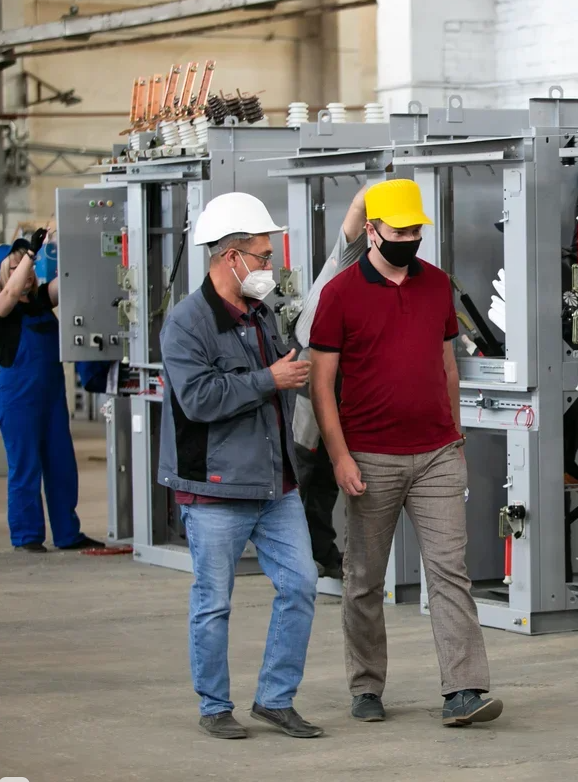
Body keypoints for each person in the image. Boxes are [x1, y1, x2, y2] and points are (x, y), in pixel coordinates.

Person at [309, 179, 503, 728]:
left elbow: (446, 365)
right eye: (401, 230)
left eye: (417, 229)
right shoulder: (340, 293)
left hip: (438, 453)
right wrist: (340, 456)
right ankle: (366, 686)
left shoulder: (436, 284)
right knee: (365, 577)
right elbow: (323, 384)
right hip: (369, 455)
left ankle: (464, 689)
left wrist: (455, 434)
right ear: (371, 231)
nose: (411, 238)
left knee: (450, 571)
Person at [157, 192, 322, 740]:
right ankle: (214, 706)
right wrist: (269, 380)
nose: (270, 266)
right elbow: (199, 399)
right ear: (231, 258)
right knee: (213, 603)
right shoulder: (186, 323)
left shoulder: (261, 314)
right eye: (264, 256)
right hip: (215, 489)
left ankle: (275, 698)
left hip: (275, 484)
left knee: (300, 585)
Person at [0, 236, 104, 553]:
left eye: (28, 268)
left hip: (52, 397)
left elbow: (66, 282)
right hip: (17, 399)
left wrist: (80, 239)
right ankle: (27, 536)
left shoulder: (41, 300)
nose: (24, 274)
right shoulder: (1, 307)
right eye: (15, 268)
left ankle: (68, 533)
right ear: (3, 275)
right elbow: (12, 293)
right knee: (25, 468)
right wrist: (30, 253)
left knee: (61, 465)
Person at [290, 186, 370, 580]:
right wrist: (376, 190)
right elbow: (355, 216)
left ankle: (322, 550)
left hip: (348, 383)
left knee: (328, 475)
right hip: (311, 371)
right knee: (307, 467)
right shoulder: (345, 264)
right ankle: (301, 555)